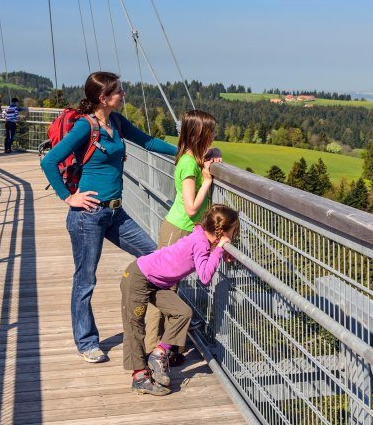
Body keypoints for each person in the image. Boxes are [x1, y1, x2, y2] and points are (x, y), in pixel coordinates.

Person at [40, 71, 177, 364]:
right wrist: (69, 197)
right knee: (85, 279)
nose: (123, 95)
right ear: (103, 98)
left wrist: (188, 154)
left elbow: (148, 142)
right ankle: (87, 341)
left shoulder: (115, 122)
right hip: (87, 216)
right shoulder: (83, 127)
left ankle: (162, 321)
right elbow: (49, 160)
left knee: (155, 257)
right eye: (119, 91)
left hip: (116, 213)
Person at [121, 204, 239, 395]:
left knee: (182, 312)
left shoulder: (201, 236)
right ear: (224, 231)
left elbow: (203, 255)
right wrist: (219, 250)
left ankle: (159, 353)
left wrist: (219, 249)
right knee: (135, 326)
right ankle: (140, 377)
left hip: (155, 282)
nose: (234, 235)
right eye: (233, 231)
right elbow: (205, 277)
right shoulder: (201, 242)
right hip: (138, 278)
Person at [145, 110, 221, 358]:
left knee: (172, 291)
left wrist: (214, 155)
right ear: (199, 133)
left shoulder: (193, 158)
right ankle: (152, 347)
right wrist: (207, 180)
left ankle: (171, 347)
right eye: (210, 131)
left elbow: (208, 156)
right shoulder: (188, 163)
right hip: (177, 230)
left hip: (187, 231)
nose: (214, 135)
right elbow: (191, 207)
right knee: (163, 289)